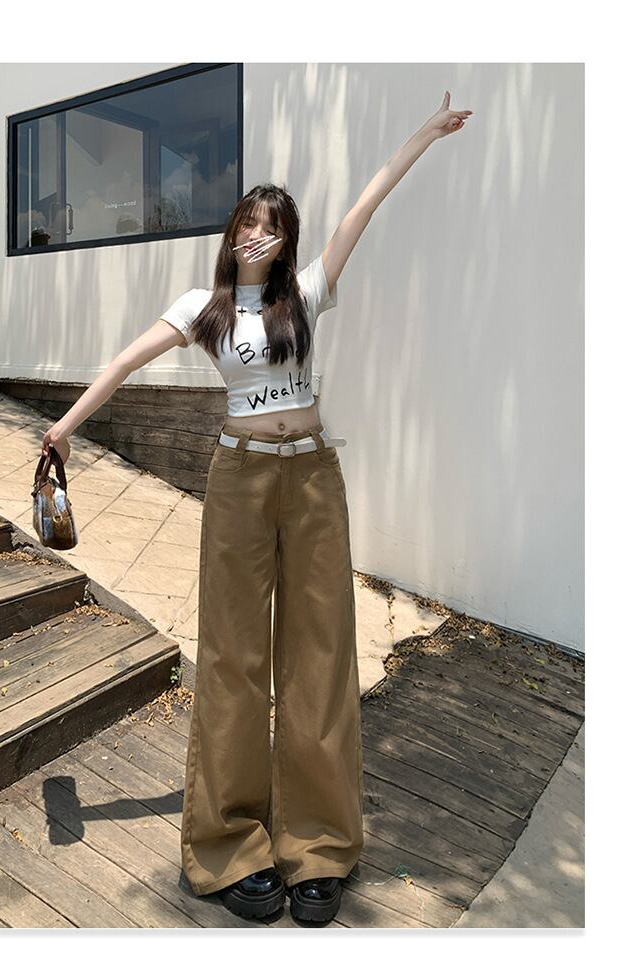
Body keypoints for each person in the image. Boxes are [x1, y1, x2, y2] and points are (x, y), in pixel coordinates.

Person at [42, 91, 472, 924]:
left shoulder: (304, 294)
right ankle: (228, 844)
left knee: (319, 658)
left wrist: (422, 133)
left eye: (272, 226)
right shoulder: (202, 309)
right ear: (232, 232)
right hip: (239, 481)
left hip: (311, 480)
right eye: (248, 222)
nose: (257, 234)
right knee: (234, 659)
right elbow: (125, 360)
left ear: (286, 241)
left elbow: (361, 209)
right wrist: (63, 426)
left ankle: (319, 845)